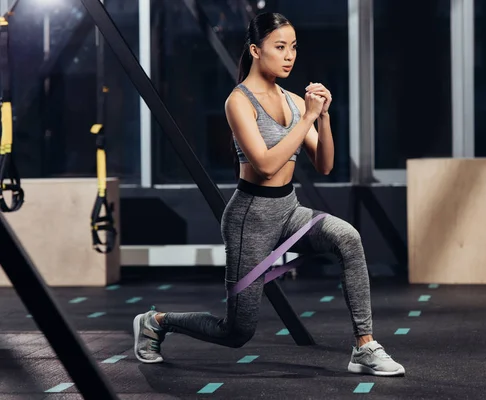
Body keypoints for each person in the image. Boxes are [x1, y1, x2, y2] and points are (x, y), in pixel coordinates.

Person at [133, 12, 405, 377]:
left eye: (293, 47)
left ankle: (365, 346)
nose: (289, 55)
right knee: (236, 332)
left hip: (289, 210)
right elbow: (264, 164)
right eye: (280, 47)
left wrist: (322, 117)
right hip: (250, 218)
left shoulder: (294, 101)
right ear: (256, 50)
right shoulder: (239, 102)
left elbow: (324, 164)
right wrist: (308, 119)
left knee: (348, 238)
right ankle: (155, 322)